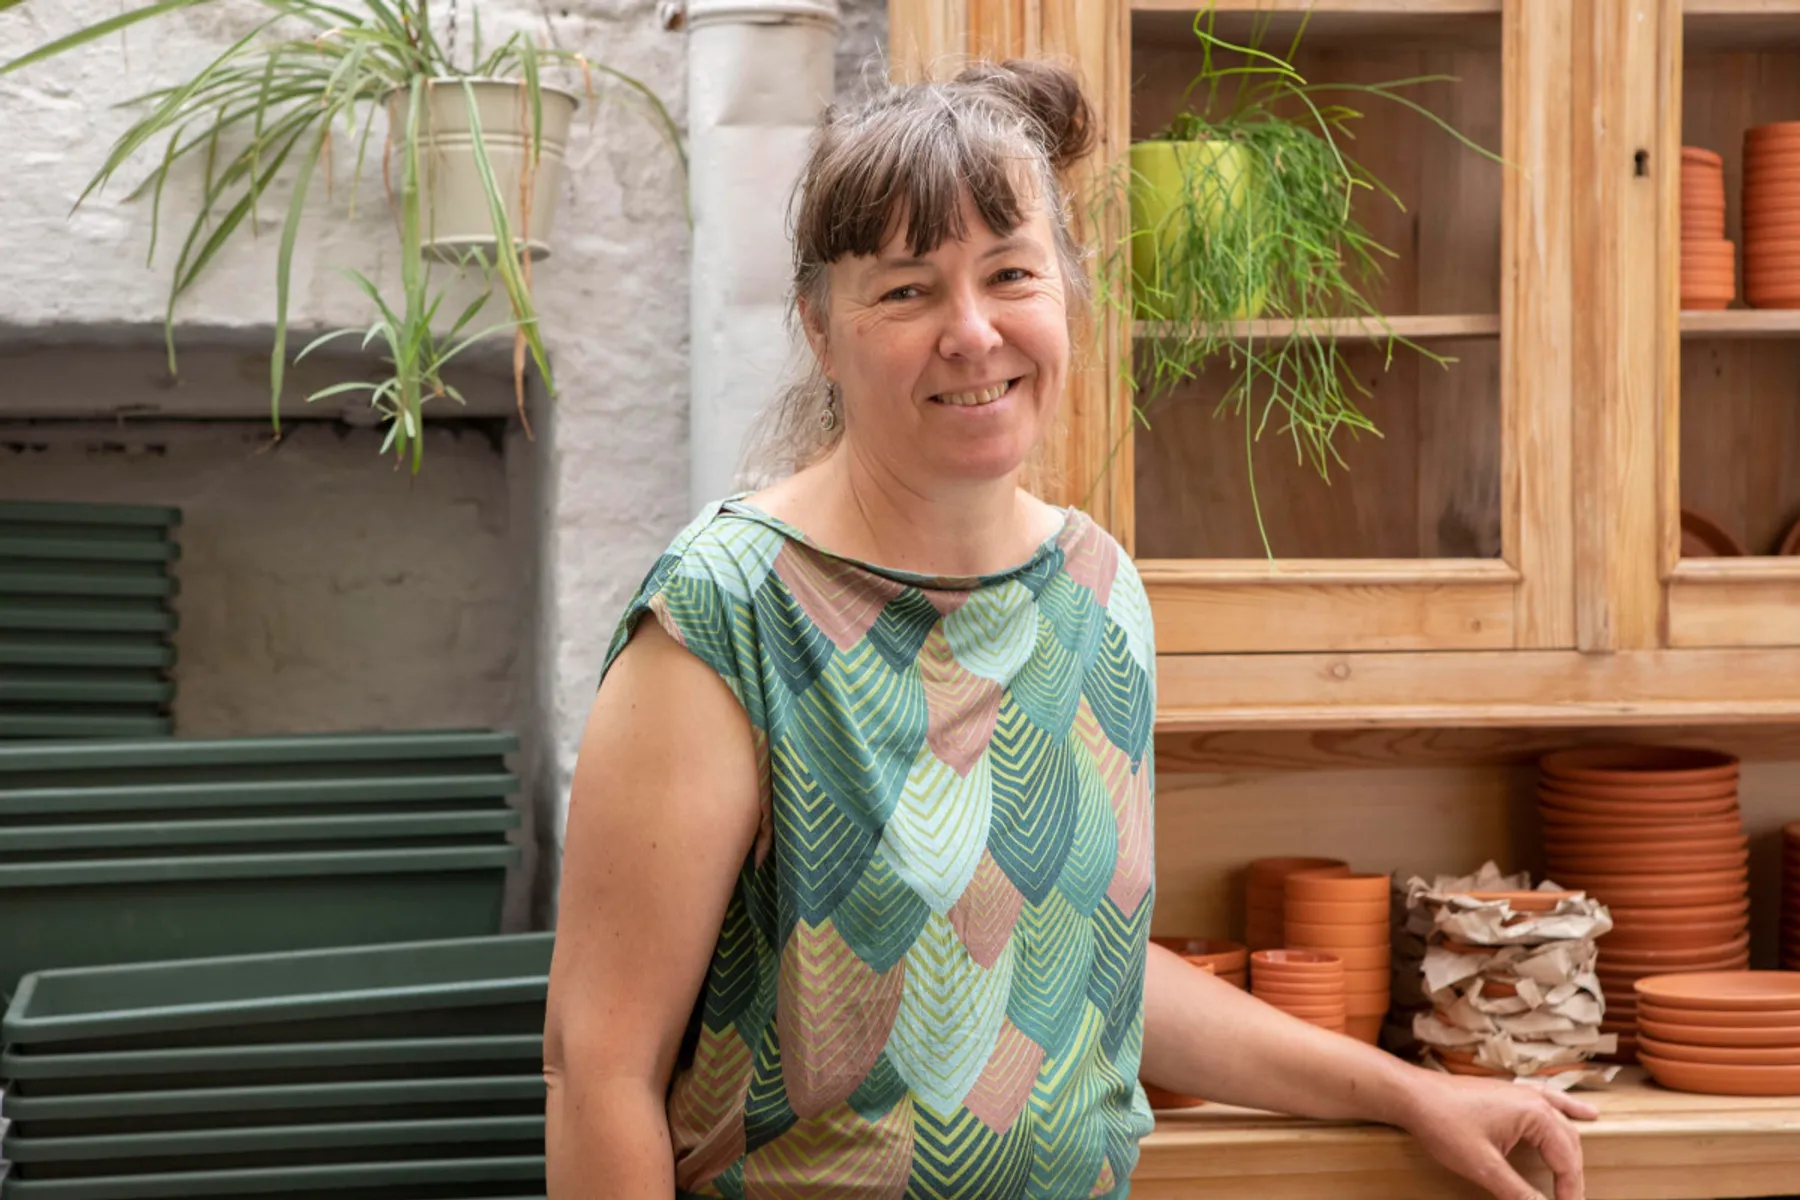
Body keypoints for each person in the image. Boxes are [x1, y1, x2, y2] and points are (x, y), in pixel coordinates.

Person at [544, 59, 1594, 1200]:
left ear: (1069, 291)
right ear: (819, 326)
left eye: (1010, 274)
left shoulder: (1096, 594)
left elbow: (1086, 962)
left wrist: (1407, 1089)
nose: (973, 331)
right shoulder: (726, 615)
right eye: (906, 291)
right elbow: (597, 1068)